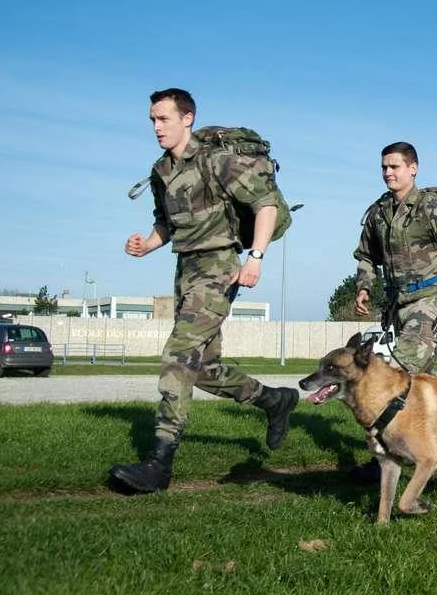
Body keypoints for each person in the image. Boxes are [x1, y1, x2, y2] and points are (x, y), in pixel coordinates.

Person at [109, 88, 298, 494]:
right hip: (186, 268)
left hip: (219, 266)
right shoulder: (161, 170)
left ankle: (159, 462)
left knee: (178, 354)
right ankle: (274, 400)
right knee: (202, 369)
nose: (156, 127)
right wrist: (146, 244)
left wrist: (255, 258)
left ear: (187, 118)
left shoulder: (216, 161)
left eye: (163, 118)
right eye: (152, 120)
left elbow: (265, 204)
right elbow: (166, 223)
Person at [352, 141, 437, 477]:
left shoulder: (433, 209)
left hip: (432, 302)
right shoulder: (379, 212)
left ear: (413, 168)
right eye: (384, 167)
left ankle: (383, 460)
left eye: (395, 167)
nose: (388, 173)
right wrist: (364, 286)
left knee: (395, 375)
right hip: (397, 304)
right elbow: (366, 255)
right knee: (421, 383)